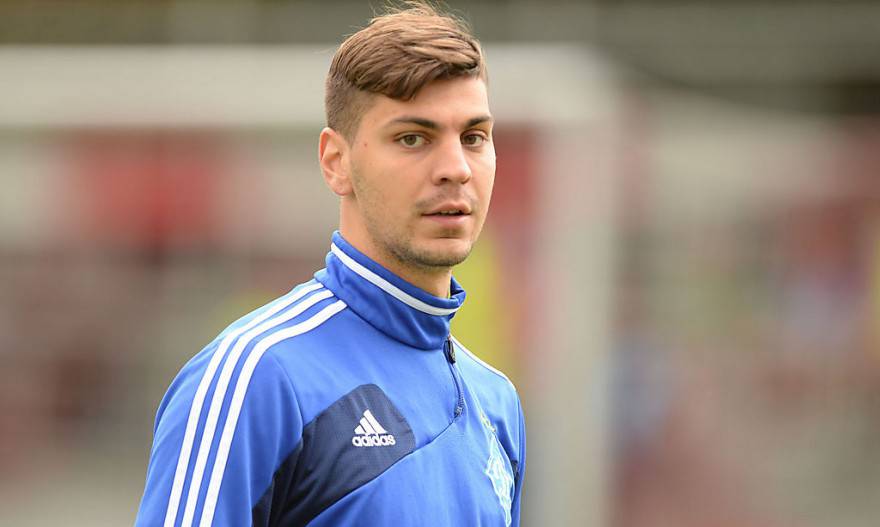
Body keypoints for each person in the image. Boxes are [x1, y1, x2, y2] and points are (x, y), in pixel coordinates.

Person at [135, 3, 525, 526]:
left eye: (473, 138)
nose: (455, 168)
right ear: (335, 163)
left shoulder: (496, 403)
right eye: (413, 138)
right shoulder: (256, 376)